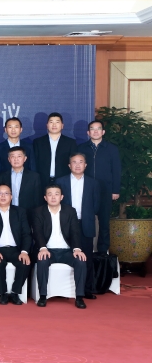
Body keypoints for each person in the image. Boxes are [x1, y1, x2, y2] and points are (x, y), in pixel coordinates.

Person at [33, 185, 88, 309]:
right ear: (45, 197)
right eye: (50, 194)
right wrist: (42, 248)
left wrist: (77, 249)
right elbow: (37, 232)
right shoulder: (38, 211)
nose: (53, 197)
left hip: (66, 251)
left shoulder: (70, 211)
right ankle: (43, 296)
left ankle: (79, 297)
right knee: (42, 260)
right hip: (48, 250)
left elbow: (75, 231)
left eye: (56, 194)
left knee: (80, 261)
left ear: (61, 197)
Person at [0, 184, 32, 305]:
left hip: (15, 250)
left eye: (6, 193)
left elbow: (26, 234)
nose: (3, 196)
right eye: (0, 193)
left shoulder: (20, 212)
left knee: (24, 263)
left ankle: (15, 293)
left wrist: (24, 252)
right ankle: (2, 294)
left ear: (11, 196)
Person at [56, 153, 100, 298]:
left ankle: (86, 289)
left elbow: (96, 205)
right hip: (65, 224)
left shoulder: (93, 183)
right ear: (69, 166)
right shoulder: (61, 182)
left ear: (85, 165)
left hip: (85, 224)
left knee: (86, 257)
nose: (77, 165)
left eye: (81, 162)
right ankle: (63, 289)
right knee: (67, 254)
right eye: (74, 162)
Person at [78, 120, 121, 254]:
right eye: (92, 129)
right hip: (86, 190)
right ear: (88, 132)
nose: (95, 131)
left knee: (104, 223)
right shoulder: (81, 148)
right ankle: (86, 249)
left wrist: (115, 190)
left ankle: (103, 251)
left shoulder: (112, 149)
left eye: (98, 129)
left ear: (103, 132)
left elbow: (116, 170)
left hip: (105, 190)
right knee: (86, 221)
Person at [0, 147, 42, 219]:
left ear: (25, 158)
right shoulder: (1, 176)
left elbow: (37, 199)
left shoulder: (34, 177)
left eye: (19, 156)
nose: (16, 159)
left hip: (28, 214)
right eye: (13, 157)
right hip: (6, 214)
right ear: (9, 159)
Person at [33, 112, 78, 189]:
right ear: (47, 125)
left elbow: (73, 162)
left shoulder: (70, 143)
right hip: (42, 181)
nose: (54, 125)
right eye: (51, 122)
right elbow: (34, 163)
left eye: (57, 122)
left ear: (62, 125)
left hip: (63, 180)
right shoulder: (38, 142)